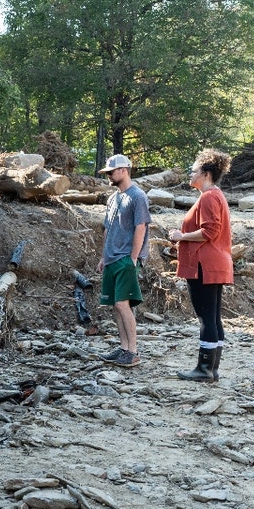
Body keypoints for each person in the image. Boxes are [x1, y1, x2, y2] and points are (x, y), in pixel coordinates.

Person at [168, 149, 233, 382]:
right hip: (216, 262)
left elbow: (209, 231)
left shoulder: (208, 197)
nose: (190, 174)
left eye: (193, 170)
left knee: (207, 317)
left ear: (206, 173)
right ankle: (211, 368)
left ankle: (204, 369)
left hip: (205, 264)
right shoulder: (216, 195)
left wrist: (180, 236)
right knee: (213, 317)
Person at [96, 154, 151, 367]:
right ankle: (124, 348)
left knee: (122, 303)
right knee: (116, 306)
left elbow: (141, 227)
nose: (109, 175)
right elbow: (107, 228)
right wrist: (103, 255)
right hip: (111, 258)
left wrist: (133, 258)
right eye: (107, 172)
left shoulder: (137, 196)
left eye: (111, 172)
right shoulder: (113, 198)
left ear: (124, 170)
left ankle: (133, 352)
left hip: (125, 258)